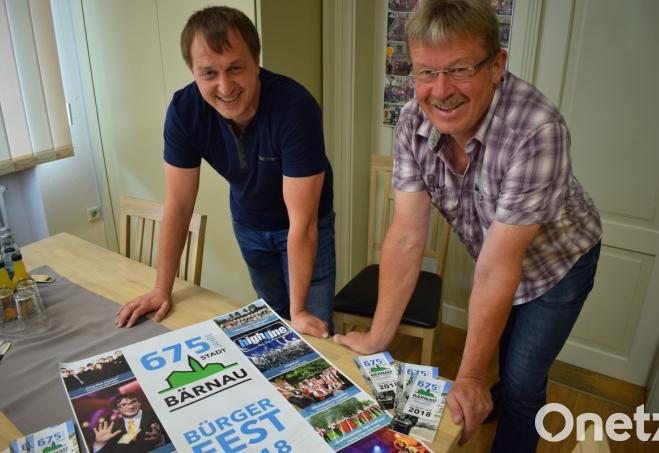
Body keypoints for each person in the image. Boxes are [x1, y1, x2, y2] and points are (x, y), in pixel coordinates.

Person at [333, 0, 602, 451]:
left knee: (522, 379)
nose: (441, 91)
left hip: (559, 264)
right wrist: (379, 336)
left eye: (459, 69)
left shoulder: (537, 130)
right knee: (503, 352)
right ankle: (496, 391)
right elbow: (405, 234)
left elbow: (499, 269)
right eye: (425, 73)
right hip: (500, 260)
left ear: (497, 66)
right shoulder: (411, 122)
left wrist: (471, 377)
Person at [115, 6, 336, 338]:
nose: (225, 86)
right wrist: (162, 288)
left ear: (256, 62)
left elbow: (302, 224)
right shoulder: (184, 111)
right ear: (193, 72)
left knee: (309, 333)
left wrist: (300, 311)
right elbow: (178, 204)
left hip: (305, 226)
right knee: (271, 325)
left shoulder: (295, 107)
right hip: (248, 222)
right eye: (208, 73)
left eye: (236, 68)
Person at [91, 393, 167, 453]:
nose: (131, 406)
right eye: (123, 405)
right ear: (116, 410)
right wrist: (99, 443)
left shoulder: (156, 415)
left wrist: (161, 440)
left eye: (133, 402)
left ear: (139, 403)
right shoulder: (113, 428)